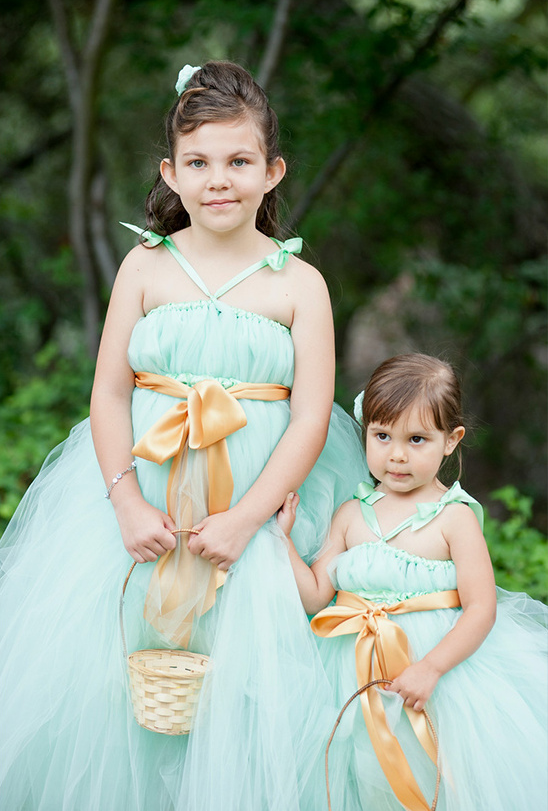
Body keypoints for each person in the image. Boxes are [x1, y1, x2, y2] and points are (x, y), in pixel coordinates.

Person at [0, 62, 367, 811]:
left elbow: (311, 413)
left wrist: (247, 518)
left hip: (252, 510)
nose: (218, 180)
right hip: (147, 504)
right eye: (198, 163)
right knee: (120, 671)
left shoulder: (298, 284)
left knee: (244, 679)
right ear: (171, 171)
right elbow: (109, 391)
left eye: (238, 161)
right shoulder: (146, 267)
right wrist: (126, 501)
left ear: (272, 172)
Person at [278, 353, 548, 811]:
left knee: (432, 780)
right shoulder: (350, 515)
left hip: (433, 673)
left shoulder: (454, 518)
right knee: (351, 782)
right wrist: (281, 542)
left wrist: (432, 668)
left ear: (450, 440)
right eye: (382, 436)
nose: (397, 454)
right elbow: (316, 595)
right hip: (347, 676)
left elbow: (481, 608)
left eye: (417, 439)